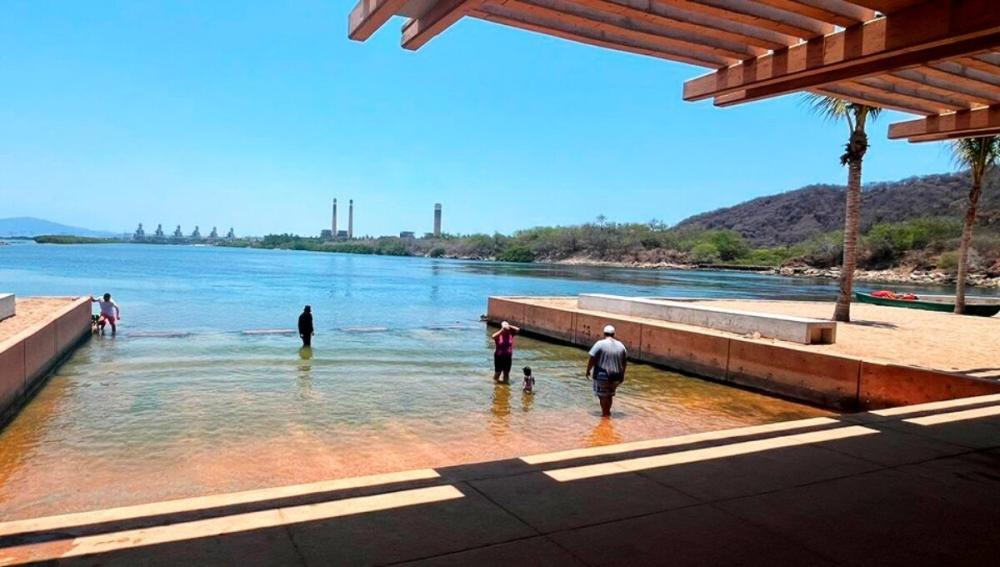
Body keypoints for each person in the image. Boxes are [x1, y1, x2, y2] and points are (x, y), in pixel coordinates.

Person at [586, 325, 627, 417]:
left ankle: (605, 415)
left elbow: (592, 358)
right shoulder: (621, 345)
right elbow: (624, 362)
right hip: (617, 375)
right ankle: (607, 412)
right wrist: (622, 374)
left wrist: (588, 370)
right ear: (614, 334)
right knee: (609, 395)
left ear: (604, 334)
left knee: (603, 395)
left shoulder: (600, 344)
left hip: (602, 375)